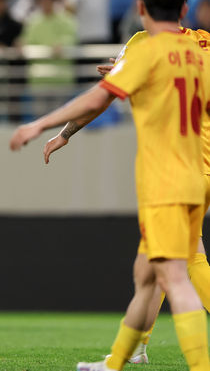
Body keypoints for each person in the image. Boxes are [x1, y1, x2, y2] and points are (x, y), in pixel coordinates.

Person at [10, 0, 210, 371]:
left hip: (167, 178)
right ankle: (121, 359)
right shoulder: (202, 47)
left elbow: (98, 100)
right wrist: (130, 75)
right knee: (149, 273)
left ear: (140, 7)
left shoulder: (145, 47)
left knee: (176, 274)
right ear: (186, 7)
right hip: (199, 171)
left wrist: (47, 126)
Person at [44, 24, 210, 365]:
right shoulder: (203, 42)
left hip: (176, 166)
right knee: (159, 261)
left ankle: (129, 353)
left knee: (187, 257)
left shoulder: (145, 42)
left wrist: (65, 133)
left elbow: (107, 95)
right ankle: (135, 348)